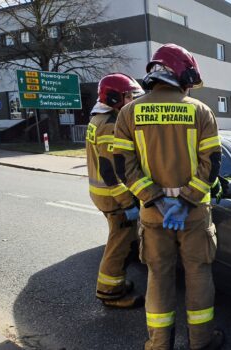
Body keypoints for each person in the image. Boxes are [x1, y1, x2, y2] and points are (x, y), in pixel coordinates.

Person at [114, 43, 224, 350]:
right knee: (199, 274)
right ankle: (201, 342)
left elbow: (124, 167)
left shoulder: (128, 112)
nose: (189, 87)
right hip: (193, 214)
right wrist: (185, 201)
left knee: (158, 278)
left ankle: (159, 344)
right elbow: (212, 165)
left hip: (153, 215)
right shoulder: (200, 111)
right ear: (179, 73)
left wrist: (159, 202)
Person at [86, 73, 146, 308]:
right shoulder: (109, 125)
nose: (131, 100)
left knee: (118, 241)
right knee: (118, 245)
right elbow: (110, 170)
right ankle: (110, 292)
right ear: (113, 97)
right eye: (128, 96)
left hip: (102, 193)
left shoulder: (98, 118)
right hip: (113, 196)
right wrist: (127, 203)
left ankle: (116, 283)